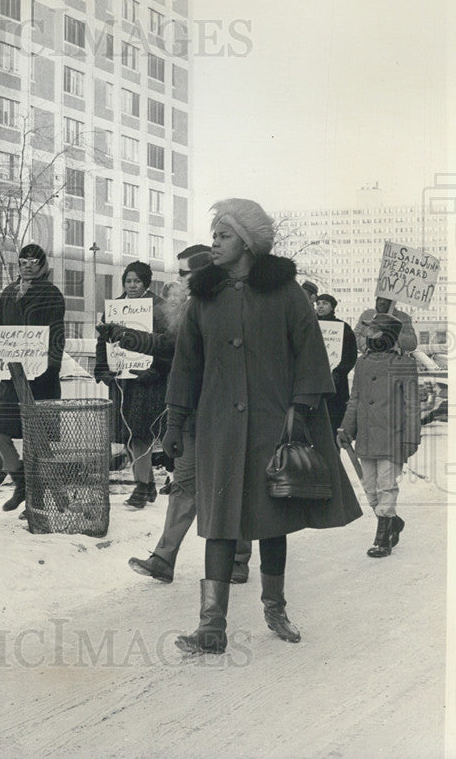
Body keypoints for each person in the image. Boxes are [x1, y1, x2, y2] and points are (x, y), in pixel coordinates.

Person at [163, 198, 362, 655]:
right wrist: (175, 420)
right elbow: (186, 364)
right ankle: (211, 626)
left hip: (274, 425)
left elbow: (312, 355)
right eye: (213, 235)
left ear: (248, 243)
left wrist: (300, 408)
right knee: (217, 523)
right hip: (217, 428)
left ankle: (275, 607)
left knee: (273, 522)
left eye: (223, 235)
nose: (214, 243)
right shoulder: (204, 296)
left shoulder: (286, 293)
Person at [127, 245, 253, 585]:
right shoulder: (187, 311)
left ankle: (239, 559)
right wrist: (129, 338)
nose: (177, 281)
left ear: (202, 273)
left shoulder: (230, 308)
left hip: (226, 416)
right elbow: (173, 350)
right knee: (184, 485)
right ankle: (164, 559)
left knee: (229, 486)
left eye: (184, 274)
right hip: (191, 414)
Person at [0, 244, 65, 517]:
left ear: (43, 265)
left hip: (41, 376)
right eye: (23, 261)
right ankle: (22, 483)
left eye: (34, 261)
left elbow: (57, 334)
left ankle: (42, 500)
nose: (28, 265)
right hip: (11, 374)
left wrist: (50, 367)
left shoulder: (51, 293)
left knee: (39, 441)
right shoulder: (9, 292)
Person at [337, 313, 420, 558]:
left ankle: (382, 538)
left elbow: (412, 405)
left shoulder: (403, 363)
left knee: (386, 486)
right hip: (366, 436)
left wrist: (410, 438)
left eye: (374, 332)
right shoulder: (362, 363)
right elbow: (355, 399)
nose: (368, 337)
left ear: (387, 336)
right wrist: (346, 429)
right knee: (369, 487)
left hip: (393, 436)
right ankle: (393, 522)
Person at [94, 261, 171, 509]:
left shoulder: (160, 308)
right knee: (128, 434)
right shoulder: (115, 308)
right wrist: (102, 367)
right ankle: (147, 484)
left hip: (147, 381)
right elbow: (103, 341)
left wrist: (156, 369)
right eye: (128, 281)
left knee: (140, 433)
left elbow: (167, 344)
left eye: (137, 281)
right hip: (122, 381)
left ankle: (141, 486)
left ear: (146, 282)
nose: (132, 285)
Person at [315, 294, 358, 430]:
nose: (320, 306)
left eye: (325, 303)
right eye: (318, 303)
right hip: (314, 382)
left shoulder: (343, 327)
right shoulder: (310, 326)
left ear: (332, 307)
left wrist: (338, 372)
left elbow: (350, 356)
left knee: (333, 423)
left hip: (336, 384)